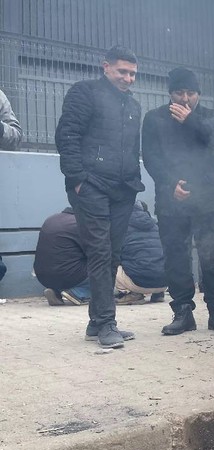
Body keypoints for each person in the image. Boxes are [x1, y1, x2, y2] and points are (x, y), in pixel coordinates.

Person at [54, 45, 143, 348]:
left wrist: (134, 181)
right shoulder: (84, 92)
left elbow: (133, 149)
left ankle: (96, 322)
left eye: (132, 73)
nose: (128, 78)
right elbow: (67, 135)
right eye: (122, 71)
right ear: (106, 67)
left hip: (123, 189)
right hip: (91, 186)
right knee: (100, 253)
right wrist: (77, 179)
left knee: (114, 255)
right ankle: (107, 323)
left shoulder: (133, 107)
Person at [142, 67, 214, 336]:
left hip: (210, 199)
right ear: (170, 93)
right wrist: (171, 184)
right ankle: (182, 312)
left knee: (213, 255)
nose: (184, 99)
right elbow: (151, 157)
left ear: (198, 94)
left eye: (190, 93)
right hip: (172, 200)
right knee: (176, 257)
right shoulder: (154, 118)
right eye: (179, 93)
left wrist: (192, 121)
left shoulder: (211, 117)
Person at [33, 208, 89, 306]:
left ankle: (56, 292)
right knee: (103, 267)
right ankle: (79, 293)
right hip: (68, 275)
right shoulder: (80, 223)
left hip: (42, 276)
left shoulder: (51, 219)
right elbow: (96, 253)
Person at [115, 201, 167, 305]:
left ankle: (133, 295)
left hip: (139, 283)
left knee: (105, 261)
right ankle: (159, 294)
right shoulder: (155, 226)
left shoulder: (119, 226)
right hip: (164, 282)